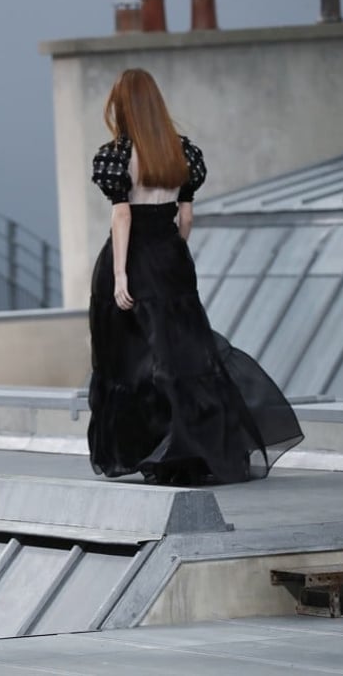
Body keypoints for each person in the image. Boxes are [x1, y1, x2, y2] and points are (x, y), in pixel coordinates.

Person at [88, 68, 303, 486]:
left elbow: (121, 216)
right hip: (171, 259)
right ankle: (191, 450)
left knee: (131, 359)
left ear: (122, 107)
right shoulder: (181, 152)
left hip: (133, 259)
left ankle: (150, 448)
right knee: (184, 356)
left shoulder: (116, 155)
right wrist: (171, 250)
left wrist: (119, 275)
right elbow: (186, 217)